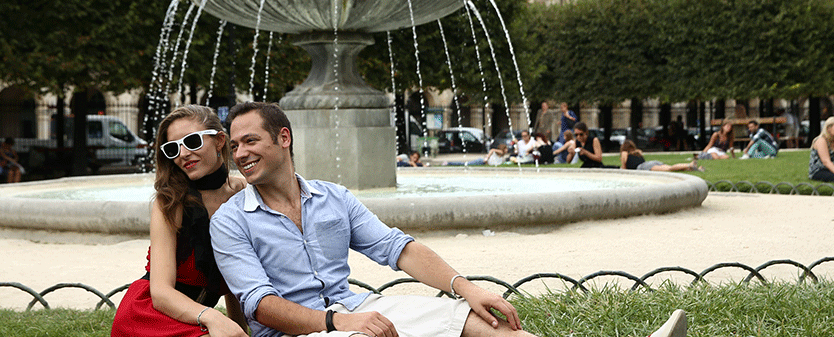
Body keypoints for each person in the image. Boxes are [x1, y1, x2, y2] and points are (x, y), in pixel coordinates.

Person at [212, 102, 687, 337]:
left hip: (358, 311)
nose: (241, 153)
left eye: (250, 141)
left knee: (489, 324)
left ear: (283, 139)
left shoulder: (333, 198)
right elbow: (259, 305)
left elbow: (398, 248)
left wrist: (468, 287)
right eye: (234, 146)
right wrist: (341, 322)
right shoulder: (232, 221)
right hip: (309, 332)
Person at [111, 105, 249, 337]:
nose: (183, 154)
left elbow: (237, 279)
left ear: (219, 140)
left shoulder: (243, 194)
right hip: (150, 316)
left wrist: (240, 329)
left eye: (192, 141)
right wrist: (214, 317)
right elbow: (161, 292)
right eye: (173, 148)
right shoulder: (170, 202)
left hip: (197, 321)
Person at [621, 140, 701, 172]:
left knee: (669, 169)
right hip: (650, 163)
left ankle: (689, 164)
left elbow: (624, 168)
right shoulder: (638, 152)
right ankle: (691, 168)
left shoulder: (624, 153)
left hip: (643, 167)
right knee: (670, 167)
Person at [442, 144, 507, 166]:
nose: (507, 150)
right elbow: (492, 150)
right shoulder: (500, 152)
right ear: (503, 149)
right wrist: (487, 158)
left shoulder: (501, 155)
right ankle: (448, 163)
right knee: (465, 164)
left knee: (466, 164)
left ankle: (448, 163)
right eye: (506, 148)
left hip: (483, 163)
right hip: (481, 161)